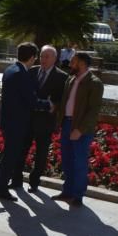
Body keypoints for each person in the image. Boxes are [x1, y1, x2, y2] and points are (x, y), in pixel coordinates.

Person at [0, 42, 40, 201]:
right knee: (12, 155)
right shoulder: (21, 74)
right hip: (16, 122)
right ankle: (1, 188)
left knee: (9, 153)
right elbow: (30, 99)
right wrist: (47, 104)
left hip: (8, 120)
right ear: (31, 57)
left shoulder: (10, 69)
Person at [54, 51, 103, 207]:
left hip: (81, 128)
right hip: (67, 124)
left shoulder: (94, 83)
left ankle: (78, 196)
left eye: (73, 61)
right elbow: (64, 103)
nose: (70, 64)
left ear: (82, 63)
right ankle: (67, 191)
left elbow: (93, 111)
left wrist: (80, 129)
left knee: (80, 162)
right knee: (67, 160)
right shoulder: (71, 80)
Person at [23, 44, 68, 189]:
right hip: (29, 118)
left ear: (55, 59)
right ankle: (16, 178)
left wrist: (54, 106)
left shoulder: (62, 77)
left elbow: (62, 100)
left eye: (47, 56)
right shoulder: (31, 71)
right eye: (41, 56)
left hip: (46, 121)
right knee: (22, 149)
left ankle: (34, 182)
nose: (43, 59)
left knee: (41, 154)